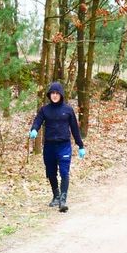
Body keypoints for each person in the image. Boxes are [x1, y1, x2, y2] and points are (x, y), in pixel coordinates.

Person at [28, 81, 85, 213]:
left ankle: (63, 200)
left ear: (61, 95)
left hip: (64, 145)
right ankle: (56, 195)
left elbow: (75, 129)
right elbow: (38, 121)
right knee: (51, 172)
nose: (54, 95)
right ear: (49, 95)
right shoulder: (45, 110)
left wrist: (80, 145)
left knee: (64, 171)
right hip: (49, 146)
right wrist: (34, 129)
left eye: (57, 93)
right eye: (52, 93)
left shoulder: (68, 110)